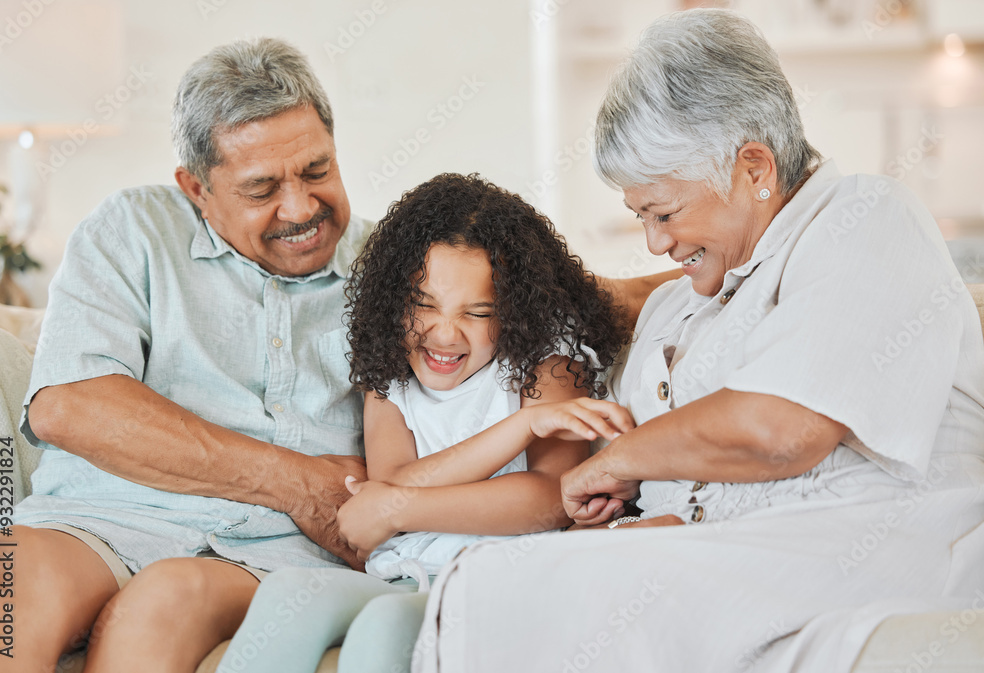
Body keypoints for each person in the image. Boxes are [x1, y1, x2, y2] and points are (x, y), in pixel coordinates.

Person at [412, 9, 984, 673]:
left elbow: (780, 427)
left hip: (872, 548)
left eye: (665, 212)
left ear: (754, 167)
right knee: (495, 578)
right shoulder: (670, 309)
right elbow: (676, 498)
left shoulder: (866, 218)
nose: (656, 241)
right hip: (739, 567)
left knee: (512, 586)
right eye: (640, 217)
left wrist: (615, 461)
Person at [0, 38, 374, 672]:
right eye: (261, 188)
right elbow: (69, 407)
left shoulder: (394, 263)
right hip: (98, 516)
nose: (301, 208)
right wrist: (296, 481)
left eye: (316, 170)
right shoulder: (132, 230)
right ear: (197, 188)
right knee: (9, 589)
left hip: (276, 550)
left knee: (164, 601)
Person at [219, 172, 635, 673]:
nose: (443, 333)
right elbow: (393, 482)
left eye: (477, 312)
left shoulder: (545, 365)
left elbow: (550, 499)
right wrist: (518, 431)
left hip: (495, 574)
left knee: (386, 626)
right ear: (395, 299)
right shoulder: (388, 373)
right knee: (290, 591)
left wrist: (398, 509)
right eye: (423, 304)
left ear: (518, 313)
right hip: (403, 569)